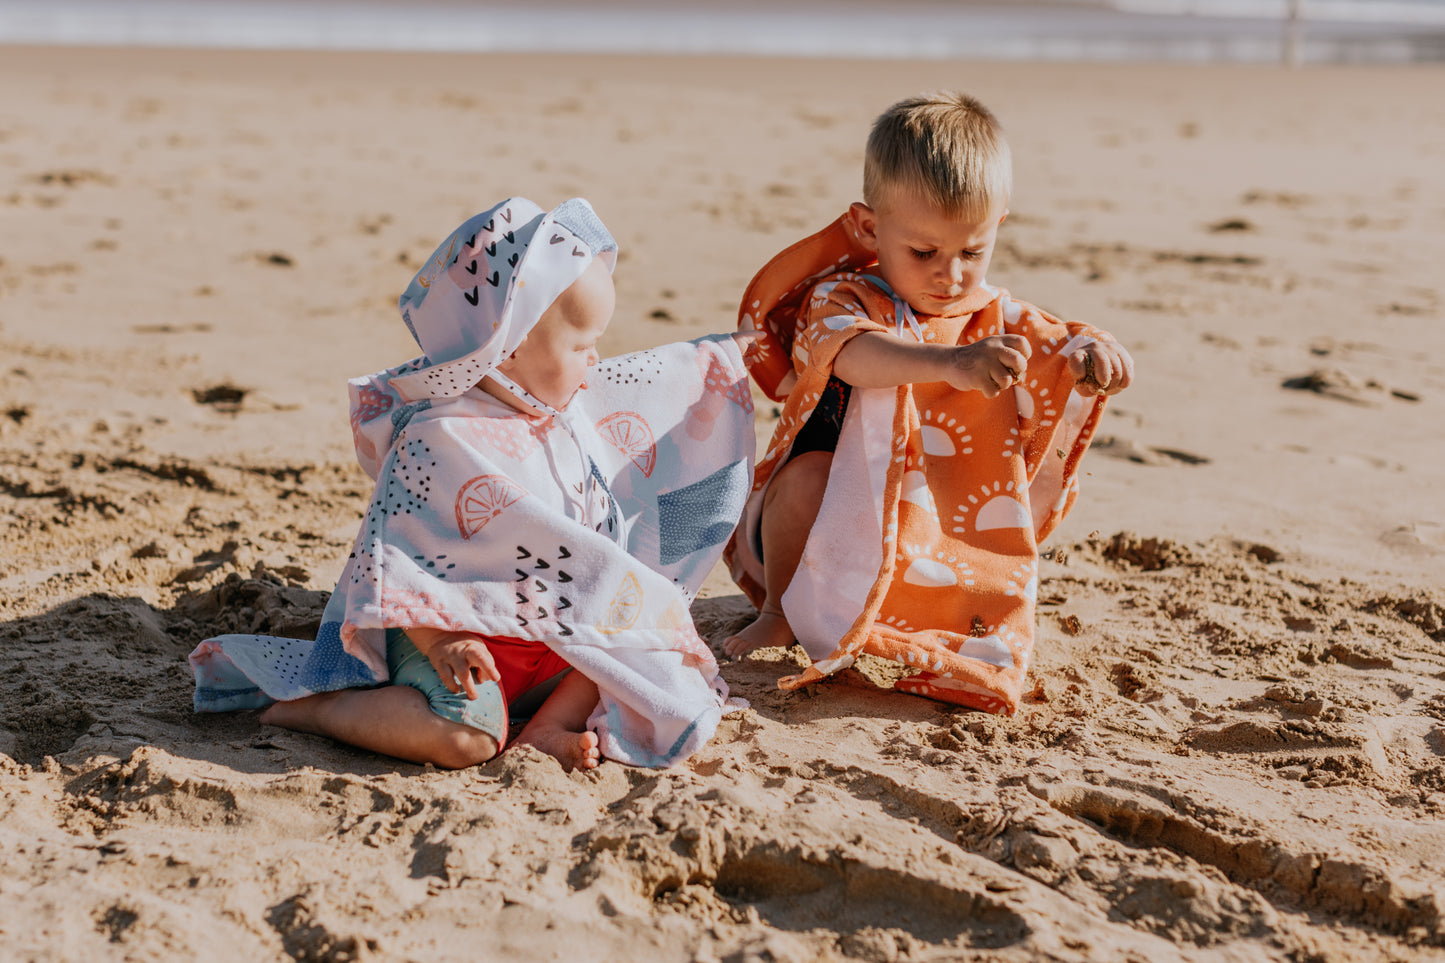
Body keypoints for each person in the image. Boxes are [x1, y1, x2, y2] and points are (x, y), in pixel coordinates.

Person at [190, 197, 757, 770]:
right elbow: (395, 558)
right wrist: (443, 642)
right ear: (505, 352)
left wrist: (722, 360)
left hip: (549, 635)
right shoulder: (441, 440)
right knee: (468, 739)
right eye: (582, 345)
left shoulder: (561, 412)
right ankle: (319, 711)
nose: (596, 359)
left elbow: (651, 387)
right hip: (451, 635)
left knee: (627, 640)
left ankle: (546, 727)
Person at [722, 92, 1134, 716]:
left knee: (966, 553)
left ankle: (924, 616)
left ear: (996, 229)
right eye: (924, 252)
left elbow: (1056, 340)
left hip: (926, 520)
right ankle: (780, 611)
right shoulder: (844, 296)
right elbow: (855, 354)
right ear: (868, 228)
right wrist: (949, 363)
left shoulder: (995, 314)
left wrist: (1091, 358)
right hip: (814, 526)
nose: (951, 276)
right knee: (806, 480)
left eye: (971, 252)